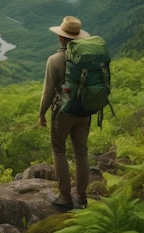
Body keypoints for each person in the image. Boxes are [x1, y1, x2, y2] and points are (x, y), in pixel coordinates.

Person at [38, 16, 91, 211]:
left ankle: (65, 196)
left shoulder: (55, 60)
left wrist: (42, 113)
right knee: (81, 151)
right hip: (85, 110)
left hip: (63, 112)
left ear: (61, 38)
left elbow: (48, 92)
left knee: (59, 150)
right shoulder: (88, 58)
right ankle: (82, 197)